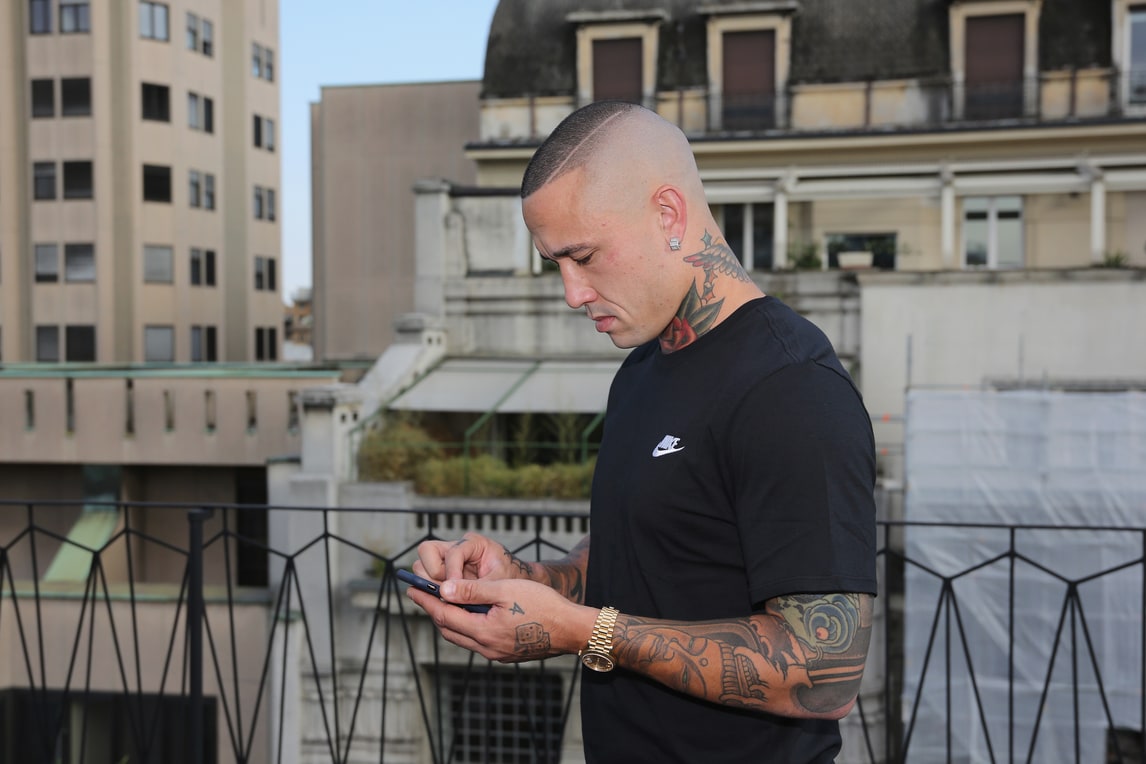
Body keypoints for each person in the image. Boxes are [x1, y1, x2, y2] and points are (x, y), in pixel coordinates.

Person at [406, 100, 878, 763]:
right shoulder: (641, 370)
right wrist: (526, 580)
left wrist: (585, 633)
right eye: (555, 264)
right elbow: (643, 556)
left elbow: (828, 673)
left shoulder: (790, 386)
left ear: (668, 215)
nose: (572, 293)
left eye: (584, 256)